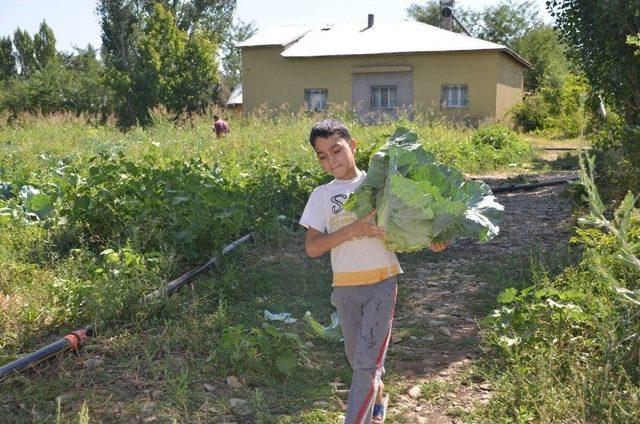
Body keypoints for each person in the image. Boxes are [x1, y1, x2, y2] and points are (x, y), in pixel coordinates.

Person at [299, 118, 447, 423]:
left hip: (382, 282)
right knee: (358, 360)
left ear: (353, 146)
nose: (331, 160)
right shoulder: (321, 196)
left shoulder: (381, 185)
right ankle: (378, 394)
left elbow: (408, 223)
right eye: (322, 156)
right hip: (345, 290)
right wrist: (353, 229)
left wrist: (430, 238)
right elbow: (313, 248)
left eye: (336, 150)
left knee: (366, 364)